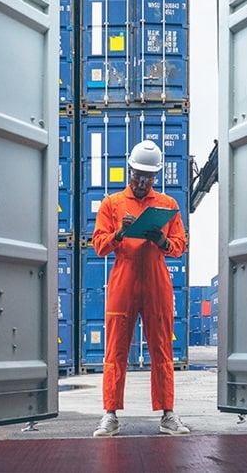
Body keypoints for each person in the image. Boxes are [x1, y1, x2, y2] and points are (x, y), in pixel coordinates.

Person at [90, 140, 190, 437]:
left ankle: (167, 414)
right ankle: (110, 414)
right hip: (124, 280)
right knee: (115, 349)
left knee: (162, 349)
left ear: (156, 176)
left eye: (149, 177)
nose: (143, 182)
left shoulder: (168, 205)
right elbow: (98, 245)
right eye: (138, 176)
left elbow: (180, 245)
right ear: (129, 170)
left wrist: (162, 241)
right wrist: (120, 232)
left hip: (157, 282)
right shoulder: (112, 204)